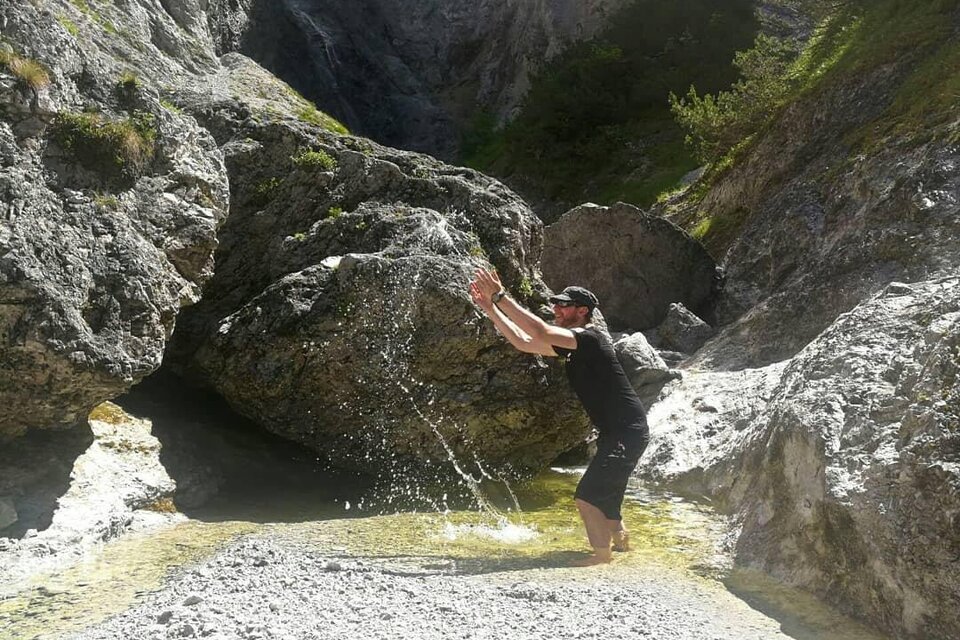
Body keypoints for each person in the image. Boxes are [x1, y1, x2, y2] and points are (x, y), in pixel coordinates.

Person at [469, 268, 650, 566]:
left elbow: (539, 331)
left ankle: (601, 558)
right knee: (607, 499)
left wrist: (501, 297)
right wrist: (491, 309)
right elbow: (524, 342)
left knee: (587, 496)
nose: (556, 309)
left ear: (582, 311)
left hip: (626, 432)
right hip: (618, 432)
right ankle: (623, 548)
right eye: (555, 304)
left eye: (563, 305)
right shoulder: (575, 348)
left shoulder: (590, 338)